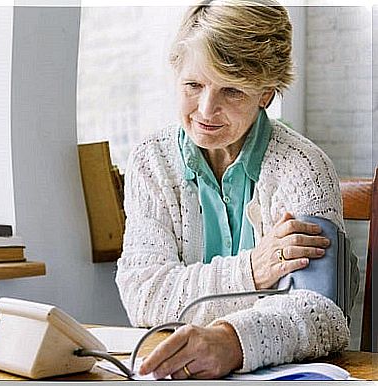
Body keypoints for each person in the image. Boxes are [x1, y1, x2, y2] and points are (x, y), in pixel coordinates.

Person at [115, 0, 355, 380]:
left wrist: (231, 342)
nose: (206, 111)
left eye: (232, 91)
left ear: (266, 94)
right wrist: (251, 272)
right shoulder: (151, 160)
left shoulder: (305, 167)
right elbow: (145, 295)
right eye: (193, 85)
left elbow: (322, 312)